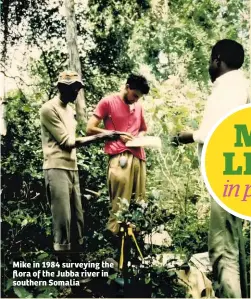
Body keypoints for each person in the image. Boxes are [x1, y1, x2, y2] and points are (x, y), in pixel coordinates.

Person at [174, 39, 249, 298]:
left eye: (210, 61)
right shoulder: (243, 84)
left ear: (218, 59)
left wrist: (188, 135)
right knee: (234, 243)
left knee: (222, 250)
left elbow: (214, 131)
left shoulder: (228, 88)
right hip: (239, 174)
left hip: (227, 175)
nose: (209, 66)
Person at [86, 74, 150, 235]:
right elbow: (90, 128)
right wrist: (115, 134)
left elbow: (143, 129)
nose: (136, 99)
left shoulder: (138, 106)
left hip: (139, 156)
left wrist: (140, 137)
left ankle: (135, 238)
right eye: (134, 95)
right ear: (127, 87)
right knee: (120, 201)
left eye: (139, 97)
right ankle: (115, 236)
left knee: (139, 200)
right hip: (119, 156)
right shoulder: (108, 102)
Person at [40, 70, 91, 253]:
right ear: (61, 87)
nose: (76, 92)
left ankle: (77, 268)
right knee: (63, 220)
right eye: (72, 88)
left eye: (78, 88)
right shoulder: (49, 108)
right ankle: (64, 275)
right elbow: (67, 142)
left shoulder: (70, 111)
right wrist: (101, 138)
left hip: (72, 168)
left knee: (77, 219)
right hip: (56, 167)